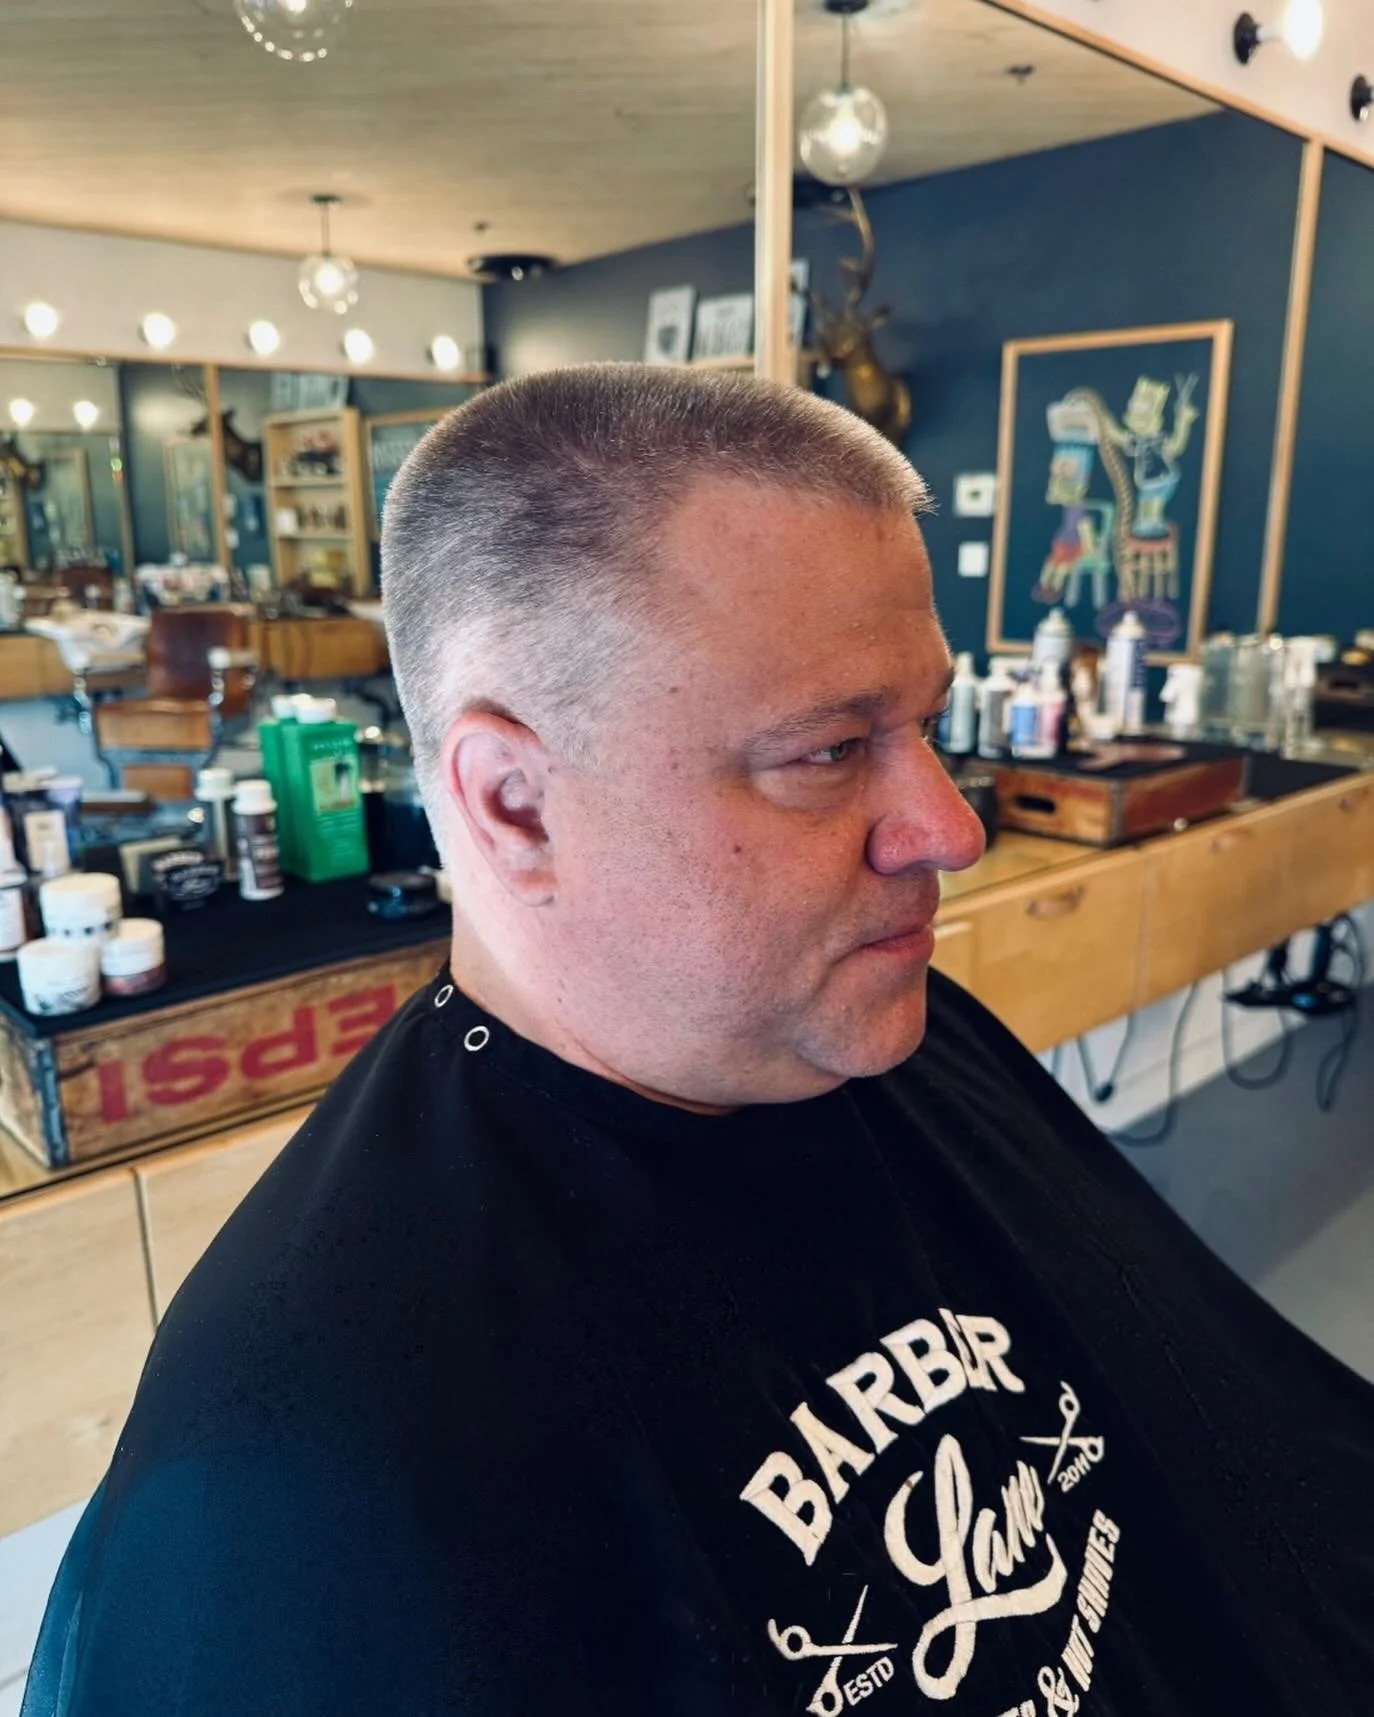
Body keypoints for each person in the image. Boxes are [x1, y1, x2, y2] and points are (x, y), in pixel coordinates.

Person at [22, 368, 1374, 1717]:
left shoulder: (889, 1037)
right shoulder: (305, 1482)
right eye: (829, 750)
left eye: (922, 725)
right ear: (514, 806)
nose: (950, 830)